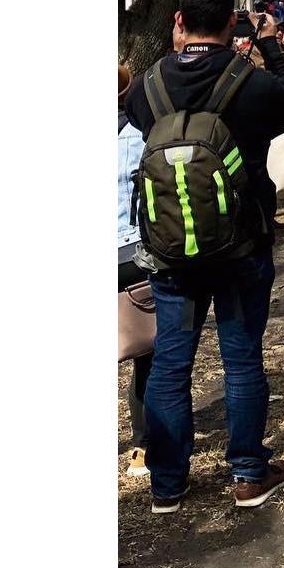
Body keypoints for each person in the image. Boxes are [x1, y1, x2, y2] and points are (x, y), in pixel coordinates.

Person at [124, 0, 284, 511]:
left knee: (172, 362)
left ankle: (167, 483)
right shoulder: (247, 83)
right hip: (240, 247)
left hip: (168, 249)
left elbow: (136, 117)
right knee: (242, 356)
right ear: (233, 22)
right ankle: (248, 473)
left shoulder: (148, 86)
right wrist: (270, 45)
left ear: (178, 21)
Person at [118, 63, 153, 478]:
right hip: (134, 253)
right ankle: (142, 443)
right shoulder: (142, 134)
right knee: (147, 353)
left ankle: (142, 443)